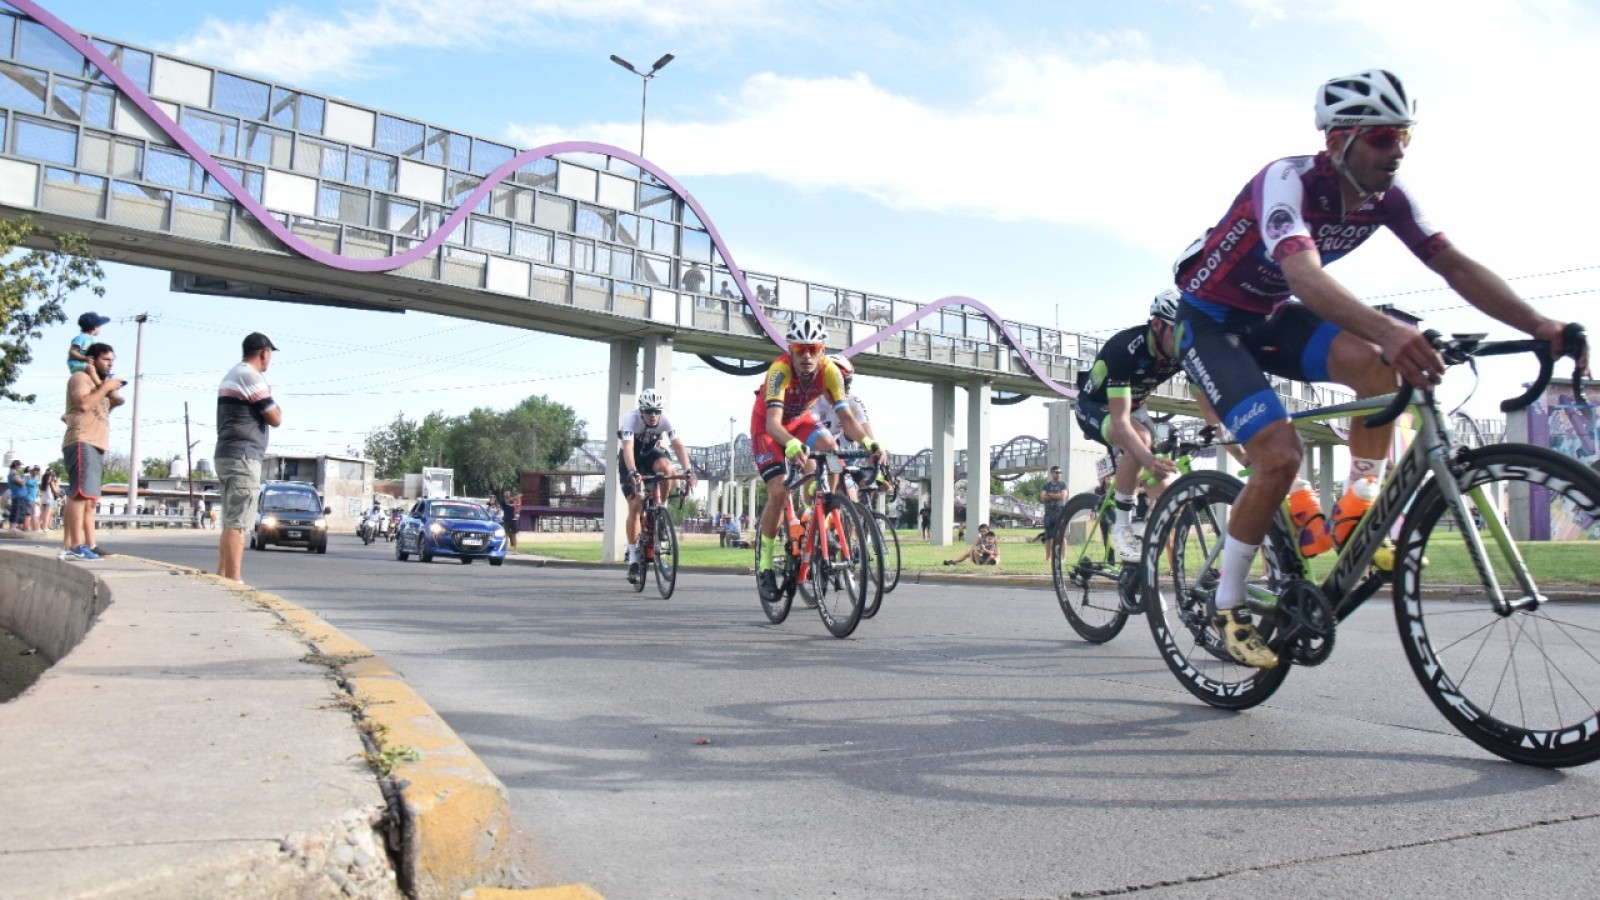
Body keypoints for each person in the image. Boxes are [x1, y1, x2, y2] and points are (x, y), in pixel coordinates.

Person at [1173, 69, 1588, 669]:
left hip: (1269, 318)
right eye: (1382, 138)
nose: (1396, 152)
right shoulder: (1286, 181)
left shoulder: (1390, 200)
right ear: (1338, 140)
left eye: (1404, 139)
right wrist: (1391, 330)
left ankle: (1356, 510)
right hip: (1212, 325)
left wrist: (1539, 325)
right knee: (1281, 453)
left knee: (1375, 369)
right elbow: (1304, 276)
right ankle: (1229, 599)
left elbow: (1456, 267)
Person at [752, 316, 883, 602]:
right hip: (768, 428)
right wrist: (788, 444)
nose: (807, 355)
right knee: (778, 490)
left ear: (822, 350)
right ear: (791, 350)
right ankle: (764, 565)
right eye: (801, 349)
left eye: (813, 348)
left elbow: (846, 419)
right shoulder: (779, 371)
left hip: (800, 422)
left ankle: (817, 503)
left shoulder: (831, 373)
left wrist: (869, 442)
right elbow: (774, 424)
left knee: (829, 446)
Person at [214, 333, 282, 583]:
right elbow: (275, 418)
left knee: (230, 521)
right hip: (243, 456)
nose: (269, 359)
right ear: (264, 352)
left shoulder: (233, 374)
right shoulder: (251, 377)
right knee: (239, 522)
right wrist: (273, 399)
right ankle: (234, 580)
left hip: (227, 453)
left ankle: (221, 576)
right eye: (270, 354)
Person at [618, 388, 696, 584]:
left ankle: (661, 512)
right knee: (635, 504)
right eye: (649, 411)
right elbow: (627, 448)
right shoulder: (631, 419)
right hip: (631, 458)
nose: (653, 416)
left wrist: (688, 469)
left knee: (667, 468)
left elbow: (678, 445)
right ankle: (634, 559)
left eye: (656, 411)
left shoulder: (665, 420)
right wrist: (633, 472)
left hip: (650, 454)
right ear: (641, 411)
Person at [60, 343, 126, 560]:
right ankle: (73, 546)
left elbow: (110, 403)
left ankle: (88, 544)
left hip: (97, 443)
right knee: (79, 494)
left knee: (89, 499)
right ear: (92, 359)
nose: (110, 364)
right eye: (106, 360)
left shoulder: (98, 383)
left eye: (112, 361)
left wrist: (108, 390)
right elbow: (83, 404)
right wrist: (105, 387)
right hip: (82, 439)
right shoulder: (80, 378)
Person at [1039, 465, 1068, 562]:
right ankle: (1048, 558)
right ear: (1052, 473)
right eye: (1056, 472)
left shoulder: (1063, 484)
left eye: (1060, 472)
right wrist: (1056, 495)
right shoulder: (1045, 485)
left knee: (1062, 536)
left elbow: (1063, 496)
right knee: (1048, 537)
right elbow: (1043, 497)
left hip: (1060, 513)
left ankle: (1063, 557)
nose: (1059, 474)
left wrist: (1050, 494)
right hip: (1049, 514)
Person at [6, 460, 27, 532]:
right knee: (16, 510)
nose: (20, 467)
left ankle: (15, 526)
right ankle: (12, 527)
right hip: (17, 495)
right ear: (16, 466)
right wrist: (26, 479)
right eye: (19, 466)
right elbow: (21, 484)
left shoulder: (15, 474)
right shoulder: (13, 474)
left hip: (20, 495)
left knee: (19, 511)